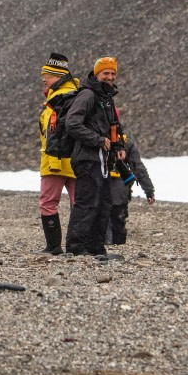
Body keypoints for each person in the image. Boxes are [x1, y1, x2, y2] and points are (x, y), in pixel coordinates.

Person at [64, 56, 124, 257]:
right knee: (87, 202)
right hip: (87, 158)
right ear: (97, 74)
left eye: (113, 73)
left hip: (103, 160)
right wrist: (97, 140)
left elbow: (114, 128)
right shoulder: (88, 95)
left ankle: (95, 246)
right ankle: (75, 247)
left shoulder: (107, 98)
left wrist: (118, 147)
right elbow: (72, 123)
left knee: (104, 203)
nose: (110, 77)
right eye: (106, 73)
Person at [38, 53, 79, 254]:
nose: (43, 79)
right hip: (76, 160)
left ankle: (53, 247)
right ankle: (77, 245)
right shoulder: (76, 95)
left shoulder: (59, 98)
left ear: (57, 76)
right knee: (78, 202)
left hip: (55, 160)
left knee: (48, 203)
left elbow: (55, 134)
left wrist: (53, 160)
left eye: (46, 75)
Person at [105, 131, 155, 245]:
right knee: (118, 220)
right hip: (120, 190)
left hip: (101, 186)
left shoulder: (95, 138)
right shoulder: (125, 142)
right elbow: (138, 168)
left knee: (103, 219)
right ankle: (117, 246)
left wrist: (149, 190)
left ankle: (106, 244)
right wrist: (149, 191)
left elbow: (138, 168)